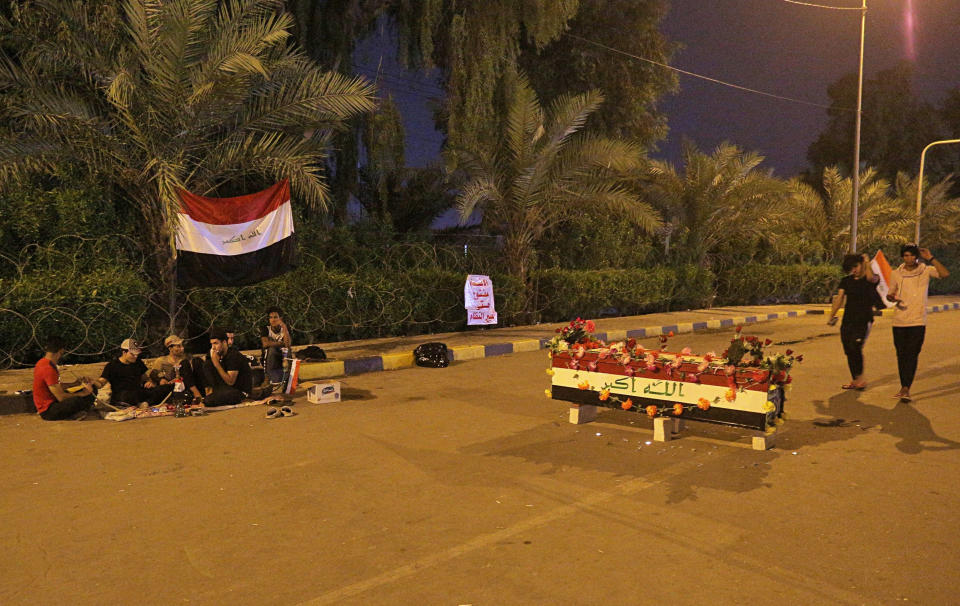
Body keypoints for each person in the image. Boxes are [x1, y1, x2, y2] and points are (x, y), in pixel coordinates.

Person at [886, 244, 950, 402]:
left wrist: (931, 258)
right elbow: (889, 294)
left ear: (917, 256)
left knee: (912, 354)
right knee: (901, 355)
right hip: (899, 321)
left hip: (917, 321)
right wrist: (892, 297)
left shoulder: (925, 270)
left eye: (911, 255)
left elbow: (945, 274)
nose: (909, 259)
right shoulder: (896, 273)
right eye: (905, 256)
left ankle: (906, 387)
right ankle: (904, 387)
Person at [827, 253, 881, 390]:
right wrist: (832, 315)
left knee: (856, 347)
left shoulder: (871, 279)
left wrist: (867, 262)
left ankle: (860, 379)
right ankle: (855, 379)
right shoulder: (846, 281)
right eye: (851, 268)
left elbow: (870, 277)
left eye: (856, 266)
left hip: (863, 320)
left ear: (862, 264)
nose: (854, 270)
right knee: (848, 350)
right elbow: (839, 298)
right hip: (848, 320)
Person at [93, 339, 173, 407]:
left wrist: (149, 382)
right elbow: (101, 382)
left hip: (138, 392)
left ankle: (146, 403)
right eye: (132, 354)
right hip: (123, 395)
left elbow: (144, 377)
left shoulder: (137, 362)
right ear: (124, 352)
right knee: (127, 395)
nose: (135, 357)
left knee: (166, 388)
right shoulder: (112, 365)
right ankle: (145, 402)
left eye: (137, 354)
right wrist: (93, 383)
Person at [32, 336, 96, 420]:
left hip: (52, 402)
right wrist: (83, 393)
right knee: (79, 398)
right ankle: (74, 413)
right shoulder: (48, 369)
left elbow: (55, 386)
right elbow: (61, 397)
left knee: (91, 389)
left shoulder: (42, 363)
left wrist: (75, 384)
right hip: (48, 410)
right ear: (61, 351)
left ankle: (77, 411)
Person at [203, 328, 253, 407]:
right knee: (207, 364)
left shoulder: (233, 356)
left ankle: (210, 397)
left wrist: (216, 363)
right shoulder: (218, 355)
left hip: (239, 391)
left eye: (216, 343)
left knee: (209, 401)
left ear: (224, 342)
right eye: (212, 344)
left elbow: (230, 381)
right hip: (226, 389)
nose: (213, 347)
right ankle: (210, 394)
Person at [148, 335, 203, 402]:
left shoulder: (187, 358)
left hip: (189, 384)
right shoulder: (162, 361)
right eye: (178, 346)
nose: (182, 348)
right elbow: (153, 374)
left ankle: (201, 393)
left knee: (195, 361)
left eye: (182, 346)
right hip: (174, 388)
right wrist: (160, 380)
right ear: (170, 348)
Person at [260, 307, 292, 383]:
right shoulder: (266, 329)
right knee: (271, 350)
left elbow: (287, 345)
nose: (273, 320)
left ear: (280, 318)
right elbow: (265, 344)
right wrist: (280, 343)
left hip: (282, 354)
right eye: (270, 317)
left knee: (287, 351)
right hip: (270, 355)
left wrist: (284, 327)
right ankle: (268, 377)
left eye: (275, 317)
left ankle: (288, 378)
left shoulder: (285, 329)